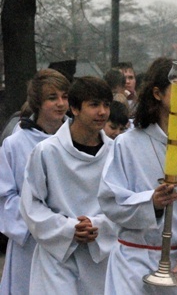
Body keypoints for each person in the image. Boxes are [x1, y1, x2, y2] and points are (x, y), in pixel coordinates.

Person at [99, 57, 177, 294]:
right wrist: (151, 203)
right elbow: (110, 199)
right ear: (156, 93)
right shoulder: (127, 143)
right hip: (131, 260)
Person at [20, 76, 116, 294]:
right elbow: (31, 205)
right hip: (57, 257)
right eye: (94, 105)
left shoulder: (116, 153)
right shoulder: (47, 152)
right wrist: (68, 229)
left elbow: (122, 204)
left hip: (100, 259)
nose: (102, 112)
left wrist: (97, 225)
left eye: (106, 105)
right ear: (74, 108)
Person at [0, 69, 70, 295]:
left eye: (64, 96)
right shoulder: (15, 144)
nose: (60, 104)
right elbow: (5, 196)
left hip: (70, 239)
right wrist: (42, 222)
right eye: (52, 98)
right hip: (31, 242)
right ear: (38, 102)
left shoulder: (77, 140)